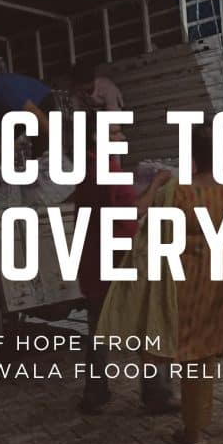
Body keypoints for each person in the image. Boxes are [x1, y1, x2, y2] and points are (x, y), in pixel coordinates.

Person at [97, 125, 223, 444]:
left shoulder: (176, 192)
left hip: (194, 291)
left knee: (197, 358)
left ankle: (194, 431)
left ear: (193, 157)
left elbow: (151, 242)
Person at [75, 121, 172, 415]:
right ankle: (154, 393)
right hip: (117, 260)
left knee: (99, 328)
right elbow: (131, 210)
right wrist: (157, 184)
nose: (122, 137)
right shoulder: (103, 170)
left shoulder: (94, 167)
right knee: (146, 323)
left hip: (98, 260)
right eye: (116, 132)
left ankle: (95, 391)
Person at [0, 72, 54, 158]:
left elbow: (40, 119)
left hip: (41, 101)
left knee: (41, 148)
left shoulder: (5, 91)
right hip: (4, 111)